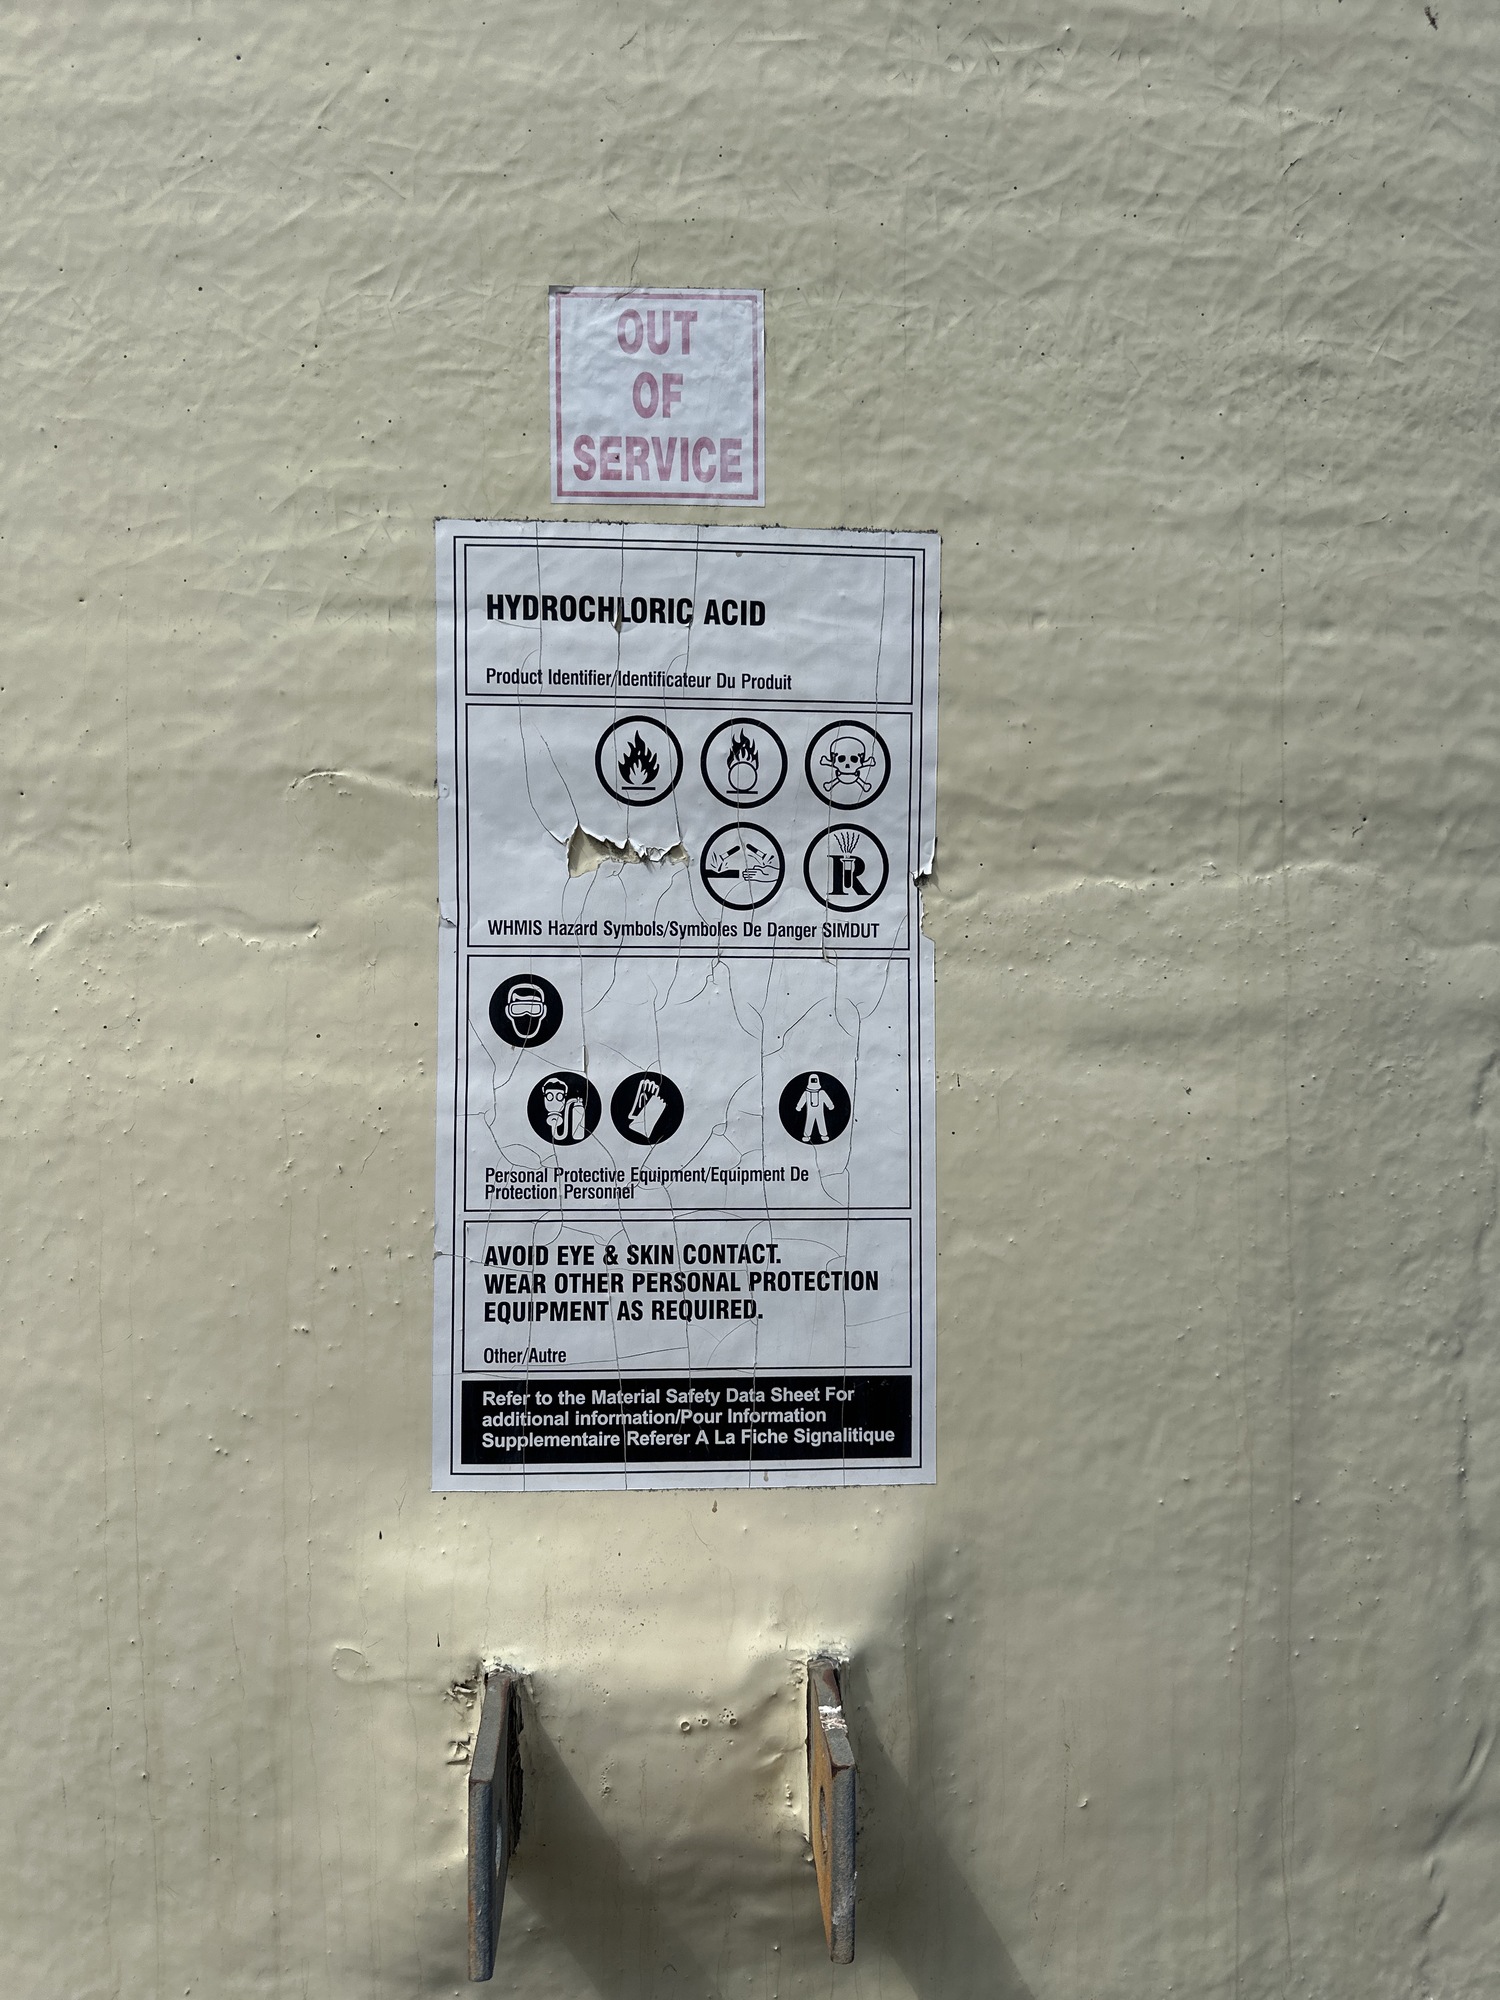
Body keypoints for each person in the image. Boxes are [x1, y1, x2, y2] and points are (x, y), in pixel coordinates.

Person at [796, 1072, 833, 1144]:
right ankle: (807, 1136)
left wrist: (830, 1105)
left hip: (819, 1112)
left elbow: (827, 1099)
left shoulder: (821, 1092)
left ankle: (824, 1135)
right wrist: (799, 1106)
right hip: (810, 1112)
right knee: (809, 1122)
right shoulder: (806, 1093)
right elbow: (802, 1100)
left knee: (821, 1122)